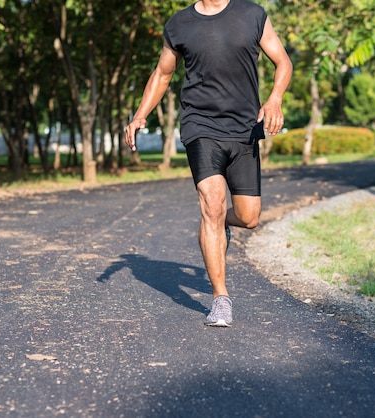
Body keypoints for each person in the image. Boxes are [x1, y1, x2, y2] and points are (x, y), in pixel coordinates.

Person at [124, 0, 293, 327]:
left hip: (245, 128)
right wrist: (139, 115)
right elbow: (162, 73)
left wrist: (275, 99)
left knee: (249, 217)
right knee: (212, 204)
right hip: (200, 127)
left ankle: (221, 225)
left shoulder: (252, 14)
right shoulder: (179, 24)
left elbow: (283, 62)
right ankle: (220, 299)